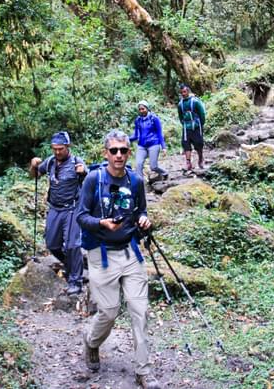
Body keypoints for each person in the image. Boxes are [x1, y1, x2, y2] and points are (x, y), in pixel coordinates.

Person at [76, 130, 160, 389]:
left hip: (130, 252)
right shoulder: (93, 179)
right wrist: (101, 223)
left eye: (124, 150)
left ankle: (143, 371)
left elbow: (141, 210)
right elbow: (81, 216)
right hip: (100, 253)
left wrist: (145, 220)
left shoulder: (135, 180)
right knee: (110, 311)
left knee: (140, 311)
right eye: (114, 151)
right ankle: (91, 342)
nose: (119, 155)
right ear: (106, 153)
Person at [29, 131, 85, 296]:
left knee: (72, 245)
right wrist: (33, 165)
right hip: (55, 208)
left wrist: (82, 172)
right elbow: (35, 175)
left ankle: (76, 281)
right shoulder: (51, 162)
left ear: (67, 147)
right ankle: (73, 266)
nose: (57, 152)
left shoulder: (76, 162)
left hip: (72, 208)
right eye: (54, 149)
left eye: (60, 149)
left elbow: (86, 178)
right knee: (52, 244)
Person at [130, 100, 169, 182]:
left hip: (153, 144)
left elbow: (159, 133)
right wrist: (125, 139)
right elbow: (136, 135)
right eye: (140, 109)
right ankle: (140, 183)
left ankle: (164, 173)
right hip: (142, 145)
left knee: (153, 167)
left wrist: (163, 147)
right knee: (138, 164)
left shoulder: (154, 118)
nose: (141, 111)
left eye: (143, 109)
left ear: (147, 108)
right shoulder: (138, 120)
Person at [177, 84, 206, 171]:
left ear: (188, 92)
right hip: (186, 128)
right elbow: (180, 116)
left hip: (196, 126)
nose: (183, 94)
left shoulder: (195, 102)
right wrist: (184, 124)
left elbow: (202, 114)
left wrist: (200, 124)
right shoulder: (180, 104)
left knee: (198, 144)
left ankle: (201, 158)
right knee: (186, 144)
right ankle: (188, 163)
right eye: (181, 92)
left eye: (184, 92)